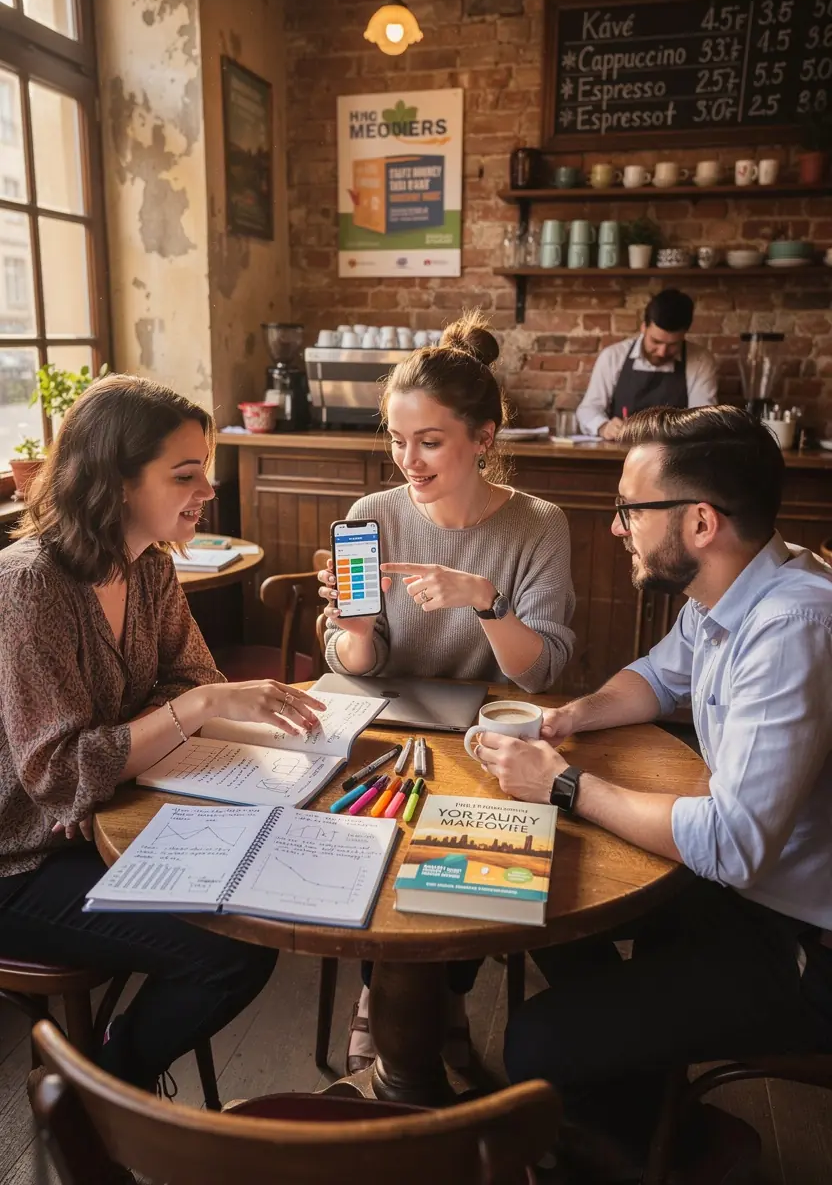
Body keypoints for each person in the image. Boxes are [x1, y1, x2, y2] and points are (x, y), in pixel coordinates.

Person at [473, 405, 832, 1182]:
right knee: (546, 903)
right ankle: (647, 1119)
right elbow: (658, 676)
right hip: (754, 894)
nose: (617, 528)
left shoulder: (794, 626)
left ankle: (636, 1145)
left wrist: (564, 783)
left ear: (700, 521)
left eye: (630, 509)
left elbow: (732, 844)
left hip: (801, 939)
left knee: (535, 1040)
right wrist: (570, 716)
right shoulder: (731, 591)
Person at [0, 374, 326, 1096]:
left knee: (260, 902)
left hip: (107, 820)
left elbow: (190, 679)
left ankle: (113, 1073)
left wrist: (178, 710)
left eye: (203, 470)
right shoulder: (30, 587)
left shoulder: (147, 565)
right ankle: (105, 1094)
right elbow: (56, 774)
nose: (207, 490)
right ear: (115, 483)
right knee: (230, 952)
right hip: (20, 864)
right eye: (185, 475)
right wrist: (186, 709)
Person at [318, 311, 576, 1074]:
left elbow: (546, 670)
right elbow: (356, 659)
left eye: (429, 441)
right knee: (366, 848)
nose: (409, 460)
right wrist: (356, 629)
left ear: (483, 438)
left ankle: (440, 994)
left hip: (490, 742)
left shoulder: (538, 525)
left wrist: (485, 599)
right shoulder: (372, 518)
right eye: (398, 441)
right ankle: (391, 994)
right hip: (386, 729)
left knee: (462, 868)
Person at [576, 289, 717, 440]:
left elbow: (704, 420)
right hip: (621, 454)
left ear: (685, 334)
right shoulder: (613, 357)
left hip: (674, 457)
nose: (662, 352)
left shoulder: (701, 361)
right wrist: (603, 427)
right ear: (644, 327)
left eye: (673, 345)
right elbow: (588, 409)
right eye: (656, 341)